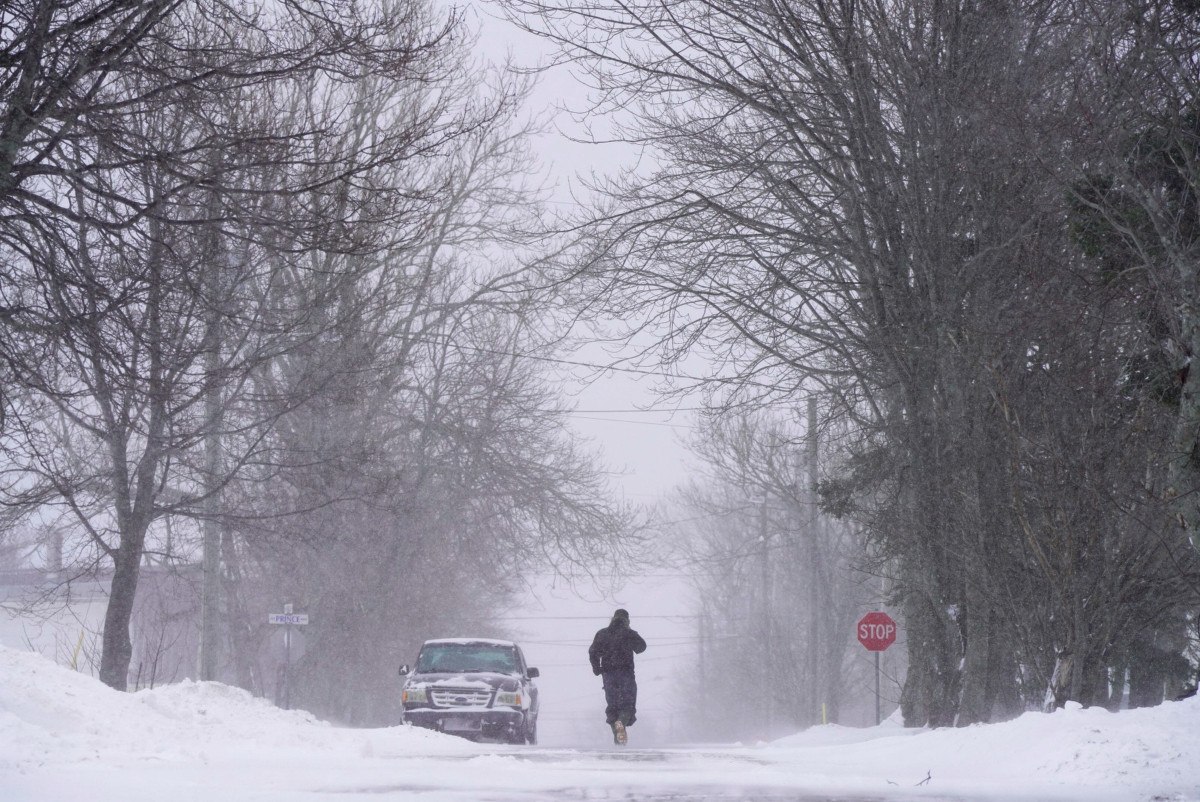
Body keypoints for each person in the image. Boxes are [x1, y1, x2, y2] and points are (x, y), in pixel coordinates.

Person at [588, 608, 647, 745]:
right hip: (626, 675)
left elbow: (593, 652)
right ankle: (622, 723)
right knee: (627, 705)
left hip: (609, 676)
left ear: (613, 619)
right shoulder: (628, 633)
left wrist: (597, 668)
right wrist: (630, 633)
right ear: (627, 620)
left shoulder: (602, 634)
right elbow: (642, 647)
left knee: (613, 707)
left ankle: (618, 735)